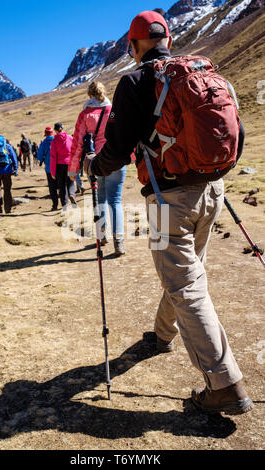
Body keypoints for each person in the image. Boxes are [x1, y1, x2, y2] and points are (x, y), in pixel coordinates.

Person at [83, 10, 253, 416]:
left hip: (166, 200)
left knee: (184, 283)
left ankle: (224, 384)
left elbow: (119, 148)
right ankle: (162, 335)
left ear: (134, 44)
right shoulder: (200, 71)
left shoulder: (135, 81)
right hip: (212, 191)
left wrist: (93, 165)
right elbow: (239, 134)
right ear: (168, 39)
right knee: (187, 272)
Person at [69, 81, 127, 256]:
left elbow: (78, 143)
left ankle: (102, 236)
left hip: (94, 163)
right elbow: (125, 135)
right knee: (115, 201)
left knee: (100, 199)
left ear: (89, 96)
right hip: (115, 160)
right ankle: (119, 242)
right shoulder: (114, 111)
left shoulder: (85, 115)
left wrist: (73, 169)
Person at [50, 122, 76, 214]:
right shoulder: (70, 138)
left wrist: (52, 172)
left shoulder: (54, 141)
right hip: (70, 163)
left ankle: (65, 204)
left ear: (55, 130)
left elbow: (53, 157)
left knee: (61, 185)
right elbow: (74, 150)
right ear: (62, 128)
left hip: (59, 165)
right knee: (71, 182)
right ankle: (72, 194)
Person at [37, 126, 58, 211]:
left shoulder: (44, 143)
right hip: (60, 166)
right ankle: (65, 204)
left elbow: (39, 156)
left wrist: (42, 159)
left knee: (52, 187)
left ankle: (55, 205)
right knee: (62, 185)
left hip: (49, 168)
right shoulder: (57, 139)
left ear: (45, 134)